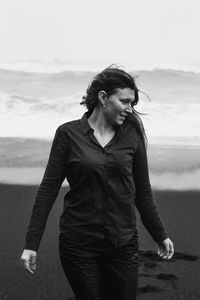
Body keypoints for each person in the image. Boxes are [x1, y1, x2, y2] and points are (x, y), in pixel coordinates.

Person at [21, 66, 174, 300]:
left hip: (122, 244)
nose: (130, 109)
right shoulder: (68, 134)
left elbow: (142, 192)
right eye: (124, 101)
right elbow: (48, 190)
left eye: (133, 103)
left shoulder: (132, 134)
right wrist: (31, 244)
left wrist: (160, 234)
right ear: (103, 98)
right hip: (78, 245)